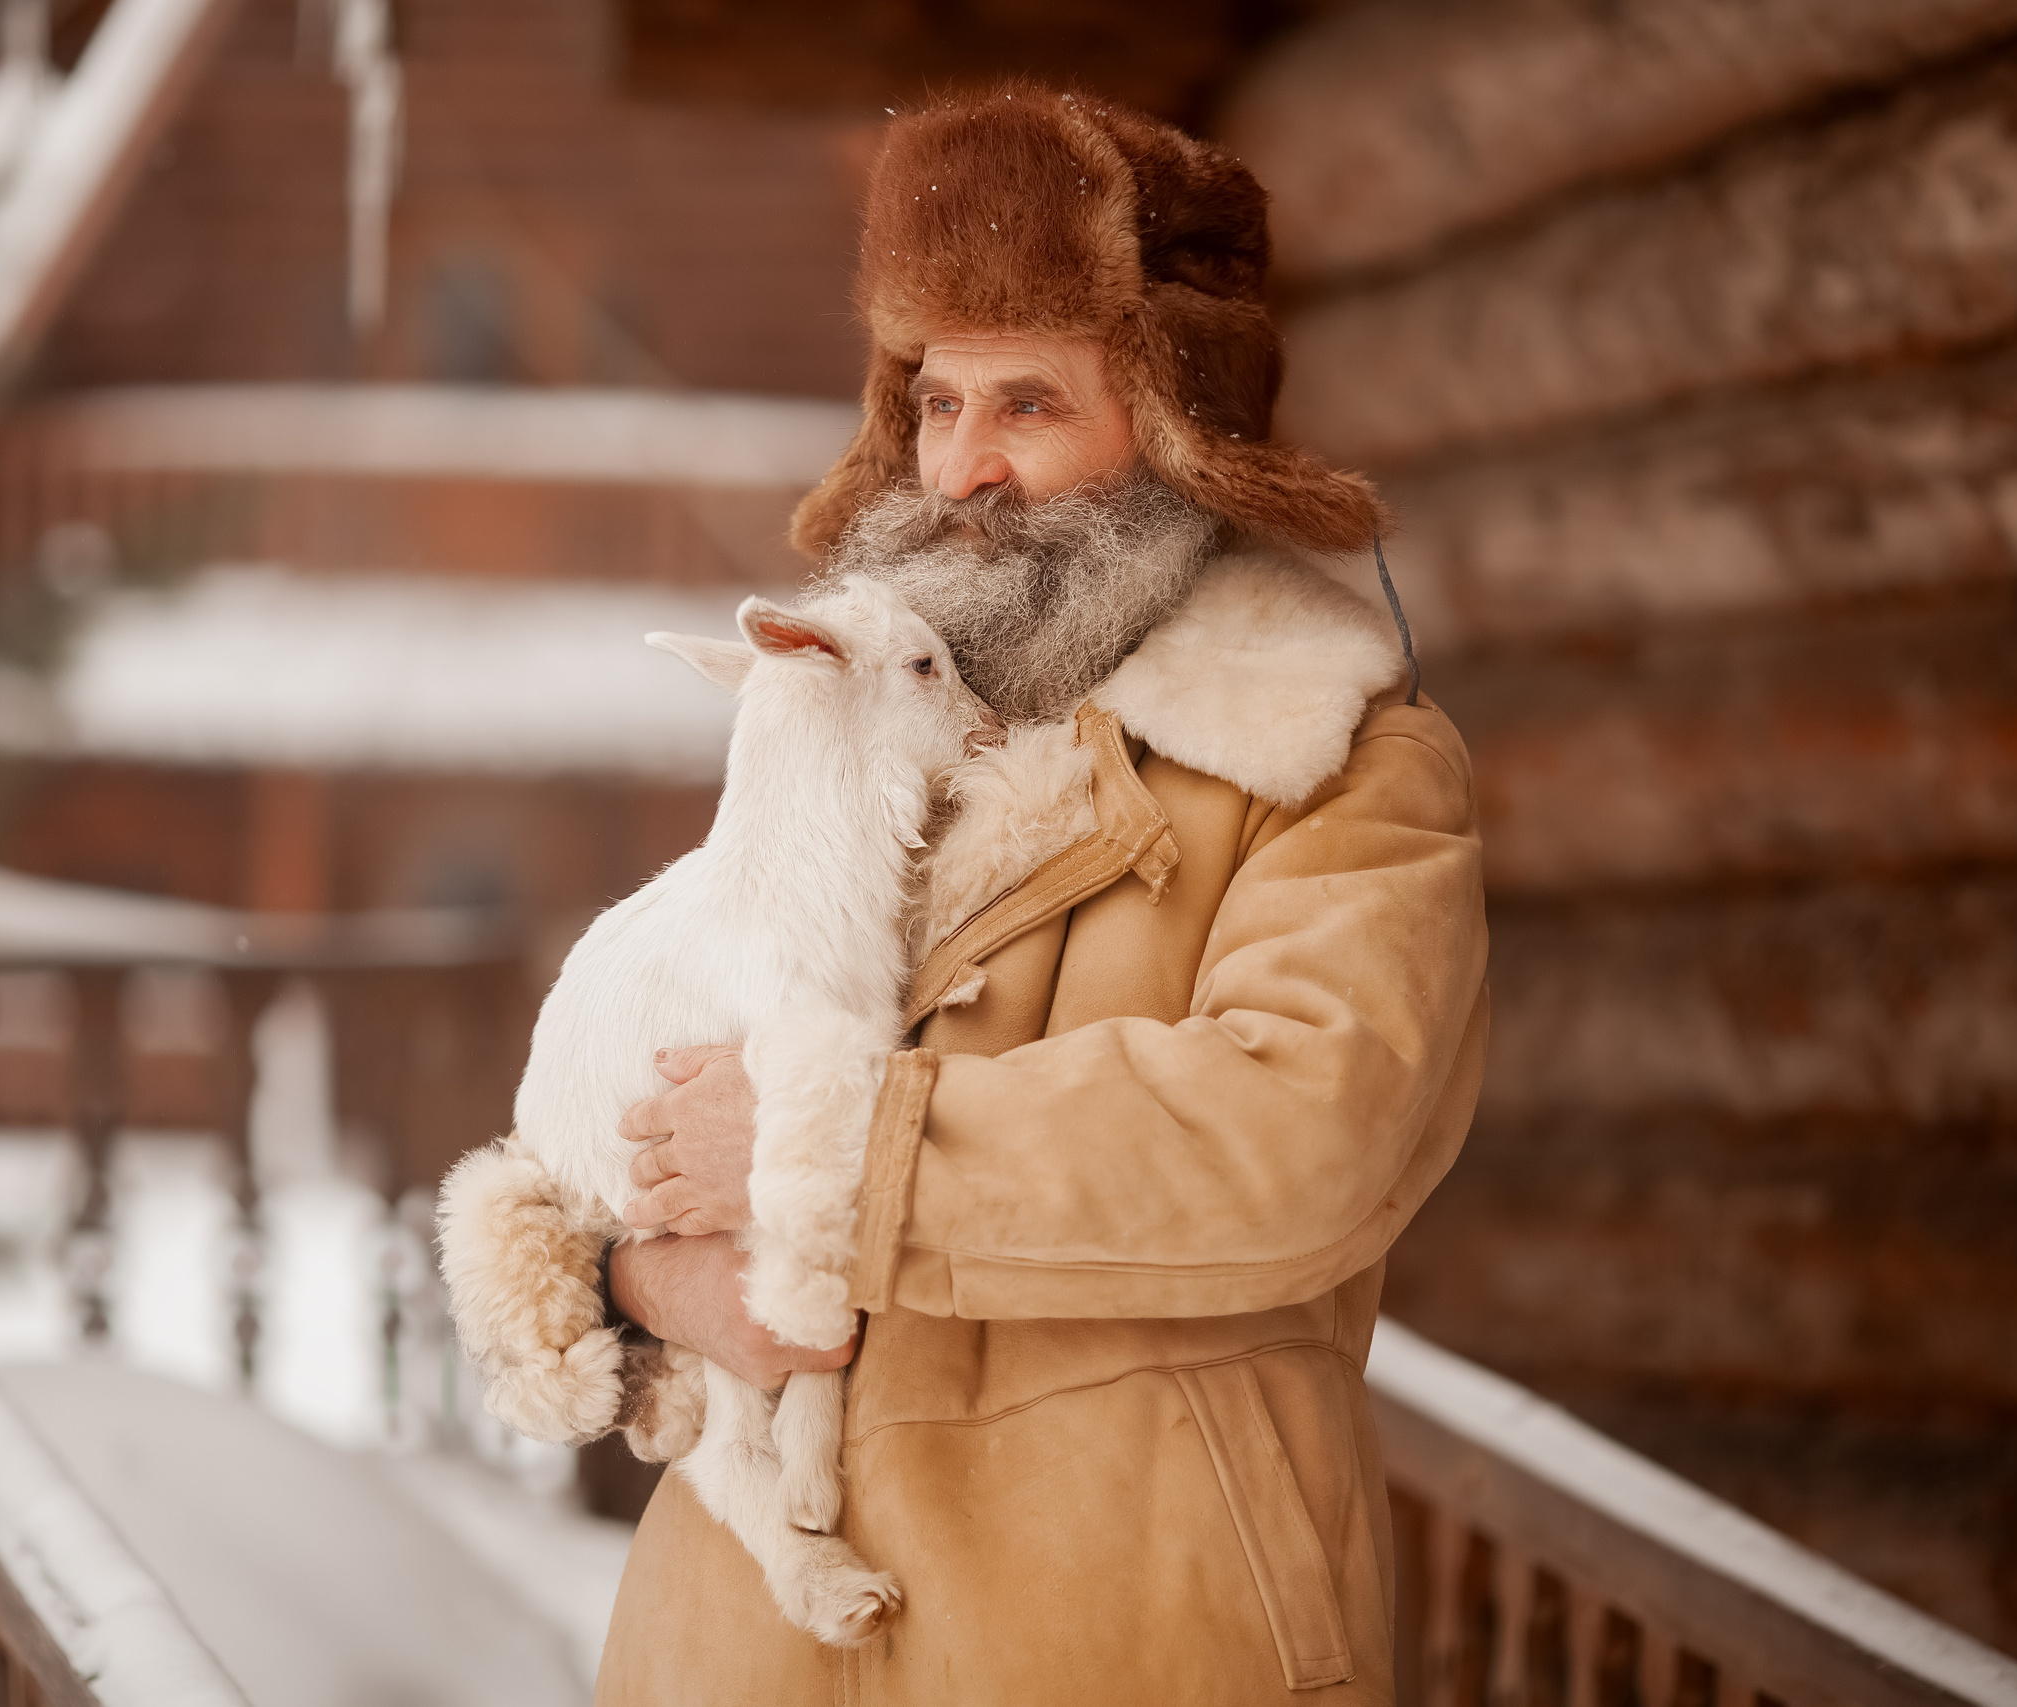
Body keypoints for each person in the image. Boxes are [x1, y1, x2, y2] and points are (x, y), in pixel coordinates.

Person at [594, 86, 1487, 1705]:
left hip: (1121, 1635)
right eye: (936, 401)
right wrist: (643, 1278)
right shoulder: (837, 719)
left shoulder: (1334, 758)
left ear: (1175, 425)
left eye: (1030, 404)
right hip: (742, 1650)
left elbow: (1302, 1133)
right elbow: (633, 1080)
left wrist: (838, 1150)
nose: (963, 469)